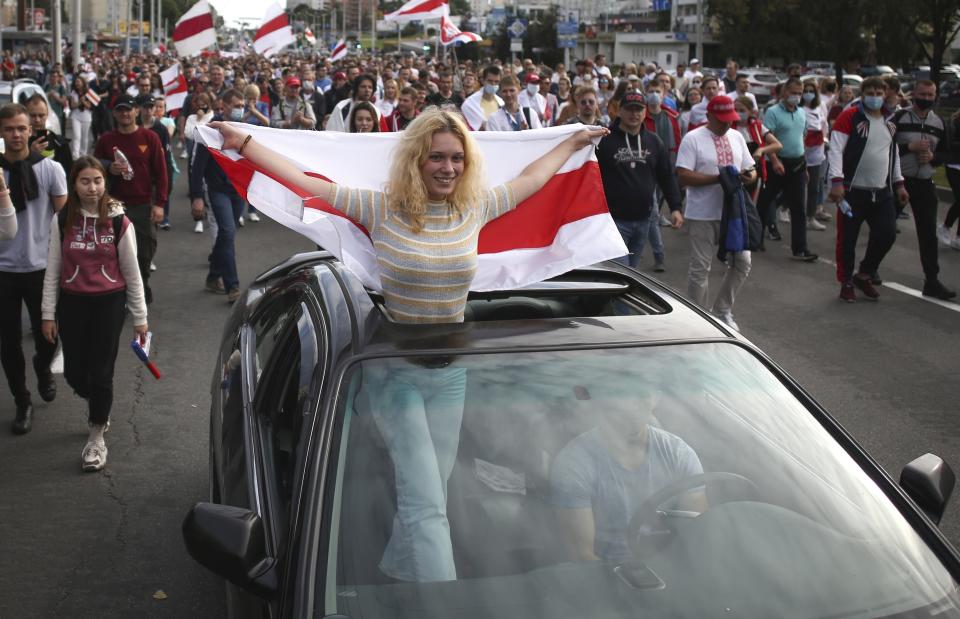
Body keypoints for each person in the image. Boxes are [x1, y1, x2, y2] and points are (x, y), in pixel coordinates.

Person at [210, 108, 605, 582]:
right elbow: (304, 181)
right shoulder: (381, 207)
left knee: (430, 491)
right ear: (416, 159)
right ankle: (442, 601)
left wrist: (573, 142)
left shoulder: (473, 206)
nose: (448, 168)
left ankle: (398, 573)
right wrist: (243, 143)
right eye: (436, 157)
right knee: (426, 503)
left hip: (451, 376)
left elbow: (534, 177)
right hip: (395, 374)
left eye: (457, 158)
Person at [40, 157, 147, 472]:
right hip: (72, 302)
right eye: (85, 181)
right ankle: (100, 402)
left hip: (108, 304)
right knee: (75, 374)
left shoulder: (118, 220)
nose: (92, 187)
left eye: (98, 180)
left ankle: (96, 437)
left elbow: (132, 271)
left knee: (101, 373)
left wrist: (140, 317)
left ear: (105, 183)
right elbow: (53, 269)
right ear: (74, 184)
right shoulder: (62, 219)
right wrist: (48, 313)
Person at [551, 381, 704, 564]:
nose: (629, 404)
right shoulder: (574, 464)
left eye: (641, 393)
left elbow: (698, 535)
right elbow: (582, 557)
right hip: (607, 578)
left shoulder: (679, 455)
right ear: (600, 401)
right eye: (618, 393)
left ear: (657, 397)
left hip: (671, 573)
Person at [0, 103, 69, 434]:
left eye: (21, 128)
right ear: (1, 132)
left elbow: (65, 219)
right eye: (9, 128)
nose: (16, 134)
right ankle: (22, 400)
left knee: (48, 338)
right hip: (3, 271)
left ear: (31, 131)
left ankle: (43, 368)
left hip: (41, 267)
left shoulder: (49, 169)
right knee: (7, 342)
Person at [676, 95, 757, 331]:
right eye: (722, 120)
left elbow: (750, 169)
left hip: (732, 213)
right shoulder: (693, 139)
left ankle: (722, 311)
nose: (727, 124)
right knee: (701, 268)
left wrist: (748, 177)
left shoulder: (737, 137)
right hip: (702, 213)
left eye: (730, 119)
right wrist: (718, 179)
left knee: (743, 261)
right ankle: (697, 319)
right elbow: (683, 175)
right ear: (709, 116)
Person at [828, 77, 910, 302]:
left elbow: (892, 155)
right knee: (848, 241)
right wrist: (836, 181)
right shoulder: (850, 117)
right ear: (862, 94)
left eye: (878, 92)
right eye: (870, 92)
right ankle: (846, 281)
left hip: (881, 192)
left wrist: (899, 183)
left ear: (885, 94)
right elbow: (835, 149)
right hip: (853, 192)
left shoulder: (890, 121)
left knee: (887, 234)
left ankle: (864, 273)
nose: (874, 96)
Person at [93, 94, 168, 305]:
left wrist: (160, 203)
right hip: (115, 205)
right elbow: (94, 164)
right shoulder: (107, 140)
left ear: (136, 111)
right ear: (115, 113)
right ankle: (125, 295)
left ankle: (142, 284)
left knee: (144, 252)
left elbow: (162, 173)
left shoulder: (149, 137)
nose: (125, 113)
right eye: (120, 110)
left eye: (129, 109)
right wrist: (109, 167)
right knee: (116, 253)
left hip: (143, 204)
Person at [598, 92, 683, 272]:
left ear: (645, 112)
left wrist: (675, 207)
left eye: (638, 109)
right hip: (615, 221)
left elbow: (666, 176)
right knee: (621, 273)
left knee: (632, 272)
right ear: (619, 111)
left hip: (644, 219)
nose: (634, 114)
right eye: (629, 109)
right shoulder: (605, 141)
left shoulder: (654, 142)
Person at [892, 80, 955, 300]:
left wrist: (934, 158)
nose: (927, 98)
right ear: (914, 94)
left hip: (925, 182)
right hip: (898, 181)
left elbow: (948, 153)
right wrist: (908, 147)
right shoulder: (899, 118)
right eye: (923, 94)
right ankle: (867, 270)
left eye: (931, 95)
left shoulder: (939, 122)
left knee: (928, 234)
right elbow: (882, 147)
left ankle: (932, 281)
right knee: (884, 230)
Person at [756, 77, 818, 260]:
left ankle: (800, 248)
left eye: (799, 94)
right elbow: (768, 138)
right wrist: (774, 160)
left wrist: (804, 165)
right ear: (784, 93)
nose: (797, 97)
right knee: (765, 202)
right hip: (776, 164)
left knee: (798, 207)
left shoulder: (801, 113)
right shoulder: (773, 112)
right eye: (793, 93)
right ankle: (755, 238)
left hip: (797, 164)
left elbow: (801, 140)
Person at [801, 81, 829, 232]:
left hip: (816, 152)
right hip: (800, 152)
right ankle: (784, 207)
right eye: (806, 90)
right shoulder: (798, 108)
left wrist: (823, 139)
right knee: (796, 187)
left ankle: (810, 217)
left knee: (813, 188)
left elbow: (824, 125)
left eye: (812, 90)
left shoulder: (821, 105)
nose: (809, 93)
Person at [26, 94, 73, 177]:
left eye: (41, 115)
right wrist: (30, 154)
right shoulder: (19, 142)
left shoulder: (60, 143)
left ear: (47, 114)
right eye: (33, 115)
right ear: (26, 115)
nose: (37, 120)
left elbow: (69, 174)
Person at [462, 65, 504, 131]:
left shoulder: (501, 103)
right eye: (490, 81)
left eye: (496, 82)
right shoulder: (470, 104)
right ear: (483, 81)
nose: (493, 84)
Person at [69, 75, 95, 159]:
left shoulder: (89, 92)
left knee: (84, 137)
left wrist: (83, 102)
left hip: (86, 117)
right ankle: (75, 154)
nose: (77, 83)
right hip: (75, 116)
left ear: (83, 83)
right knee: (77, 136)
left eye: (79, 81)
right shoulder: (73, 92)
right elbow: (72, 106)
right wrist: (80, 102)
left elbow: (90, 106)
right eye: (76, 82)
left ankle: (83, 153)